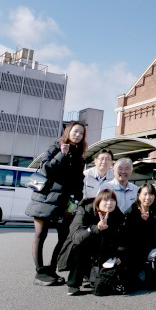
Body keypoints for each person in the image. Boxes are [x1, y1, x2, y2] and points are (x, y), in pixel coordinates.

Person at [25, 121, 87, 286]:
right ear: (68, 132)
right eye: (75, 132)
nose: (78, 135)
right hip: (44, 199)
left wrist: (75, 204)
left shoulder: (79, 154)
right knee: (40, 235)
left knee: (64, 237)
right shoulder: (56, 146)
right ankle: (40, 272)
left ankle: (51, 270)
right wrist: (61, 154)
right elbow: (46, 169)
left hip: (65, 202)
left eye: (81, 133)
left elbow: (78, 183)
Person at [57, 189, 126, 296]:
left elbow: (122, 239)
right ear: (98, 201)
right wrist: (95, 228)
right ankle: (73, 284)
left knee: (102, 284)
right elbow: (77, 236)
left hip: (104, 250)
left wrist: (119, 256)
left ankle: (92, 276)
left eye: (113, 200)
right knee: (79, 248)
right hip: (85, 248)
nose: (109, 203)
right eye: (106, 200)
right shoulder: (85, 209)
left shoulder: (117, 215)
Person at [124, 184, 156, 287]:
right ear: (138, 196)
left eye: (151, 194)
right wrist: (141, 221)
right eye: (145, 194)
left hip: (154, 249)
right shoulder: (131, 212)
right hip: (136, 250)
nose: (148, 197)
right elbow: (128, 235)